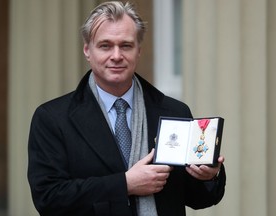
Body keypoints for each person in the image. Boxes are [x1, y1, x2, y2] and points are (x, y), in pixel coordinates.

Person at [27, 1, 226, 216]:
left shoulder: (174, 112)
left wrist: (208, 176)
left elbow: (198, 198)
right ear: (87, 50)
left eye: (126, 45)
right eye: (105, 45)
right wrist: (124, 184)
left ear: (138, 50)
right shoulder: (52, 118)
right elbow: (48, 198)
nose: (116, 55)